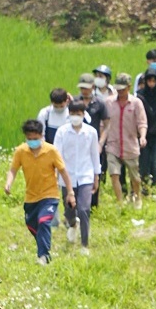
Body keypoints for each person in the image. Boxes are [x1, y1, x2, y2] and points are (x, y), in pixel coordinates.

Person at [4, 119, 69, 265]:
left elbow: (63, 171)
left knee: (43, 221)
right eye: (29, 139)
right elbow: (13, 169)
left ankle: (43, 255)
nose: (33, 141)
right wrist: (8, 183)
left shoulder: (51, 151)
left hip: (49, 195)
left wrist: (70, 192)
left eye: (36, 139)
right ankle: (44, 246)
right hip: (31, 197)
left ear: (42, 136)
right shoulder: (21, 151)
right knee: (32, 224)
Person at [56, 102, 102, 253]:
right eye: (73, 113)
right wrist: (56, 177)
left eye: (79, 113)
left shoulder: (91, 132)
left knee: (84, 209)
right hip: (67, 176)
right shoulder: (62, 132)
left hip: (85, 176)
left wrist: (97, 176)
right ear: (69, 114)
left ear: (83, 114)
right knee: (69, 210)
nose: (76, 117)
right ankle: (72, 224)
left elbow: (95, 155)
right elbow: (57, 156)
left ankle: (84, 244)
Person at [102, 73, 147, 200]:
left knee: (135, 177)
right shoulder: (108, 102)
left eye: (123, 89)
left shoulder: (136, 103)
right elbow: (103, 123)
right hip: (113, 145)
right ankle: (120, 203)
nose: (120, 91)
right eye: (118, 89)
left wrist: (142, 136)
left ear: (129, 87)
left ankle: (137, 197)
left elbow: (142, 122)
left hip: (130, 144)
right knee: (114, 174)